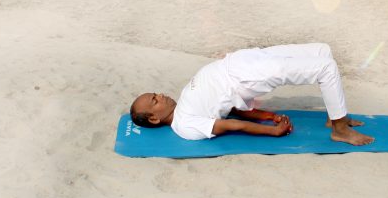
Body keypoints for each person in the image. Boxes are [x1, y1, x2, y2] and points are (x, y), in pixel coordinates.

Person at [130, 43, 374, 146]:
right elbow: (229, 124)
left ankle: (334, 116)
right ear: (154, 118)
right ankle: (340, 130)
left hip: (242, 60)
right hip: (245, 76)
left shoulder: (183, 100)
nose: (160, 95)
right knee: (326, 68)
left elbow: (231, 107)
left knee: (322, 51)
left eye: (156, 93)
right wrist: (273, 131)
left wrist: (267, 115)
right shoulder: (184, 125)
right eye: (155, 100)